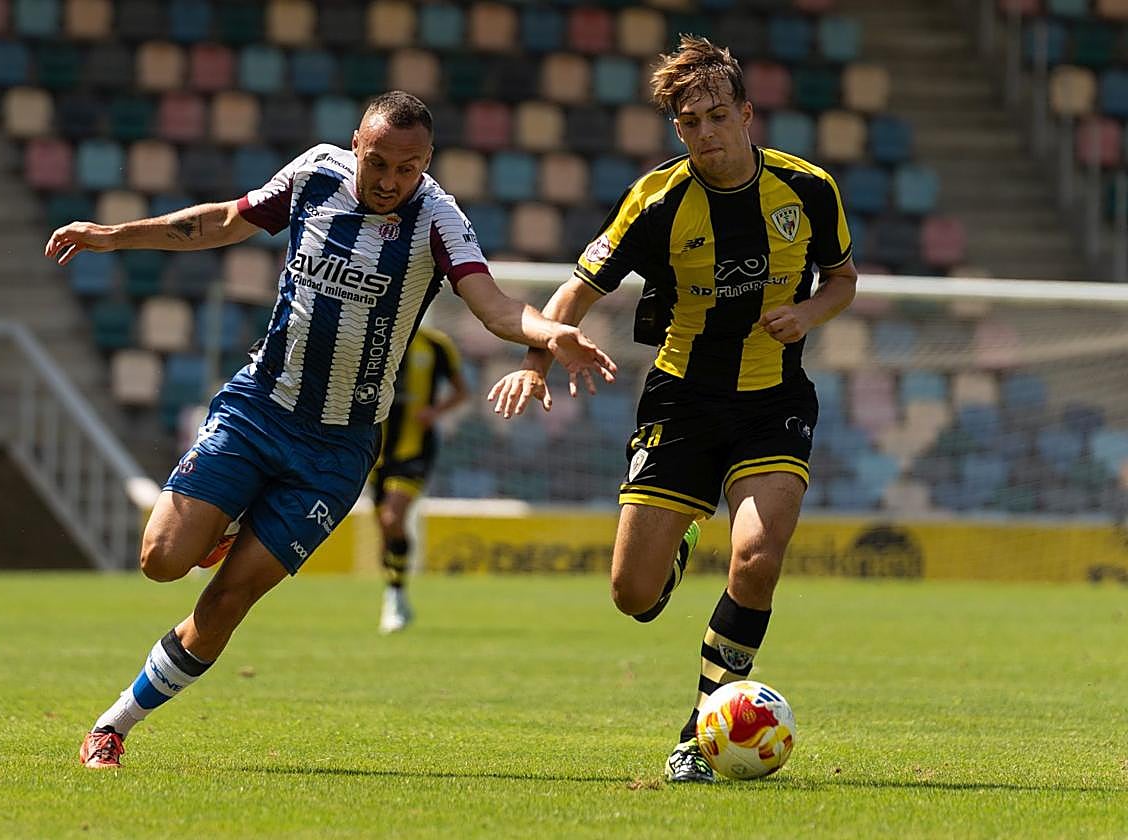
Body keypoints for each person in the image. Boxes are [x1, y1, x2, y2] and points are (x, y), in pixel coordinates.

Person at [45, 90, 616, 770]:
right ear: (355, 146)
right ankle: (229, 521)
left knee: (228, 600)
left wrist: (550, 334)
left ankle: (112, 727)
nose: (390, 180)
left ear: (427, 161)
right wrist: (114, 235)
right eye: (378, 163)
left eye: (408, 168)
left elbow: (492, 306)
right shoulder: (315, 173)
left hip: (337, 450)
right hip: (260, 408)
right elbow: (224, 220)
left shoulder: (439, 218)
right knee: (161, 560)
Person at [488, 37, 858, 783]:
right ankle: (683, 535)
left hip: (773, 400)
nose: (706, 133)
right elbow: (576, 291)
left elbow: (843, 279)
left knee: (757, 558)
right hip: (681, 401)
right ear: (677, 129)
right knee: (633, 596)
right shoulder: (655, 202)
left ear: (746, 114)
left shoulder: (808, 188)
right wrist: (535, 360)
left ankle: (699, 733)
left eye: (718, 116)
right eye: (690, 123)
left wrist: (808, 314)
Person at [371, 324, 468, 633]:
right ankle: (396, 592)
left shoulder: (436, 345)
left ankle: (394, 597)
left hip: (415, 449)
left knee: (392, 518)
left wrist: (434, 412)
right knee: (385, 533)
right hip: (374, 450)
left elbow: (462, 391)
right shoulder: (374, 336)